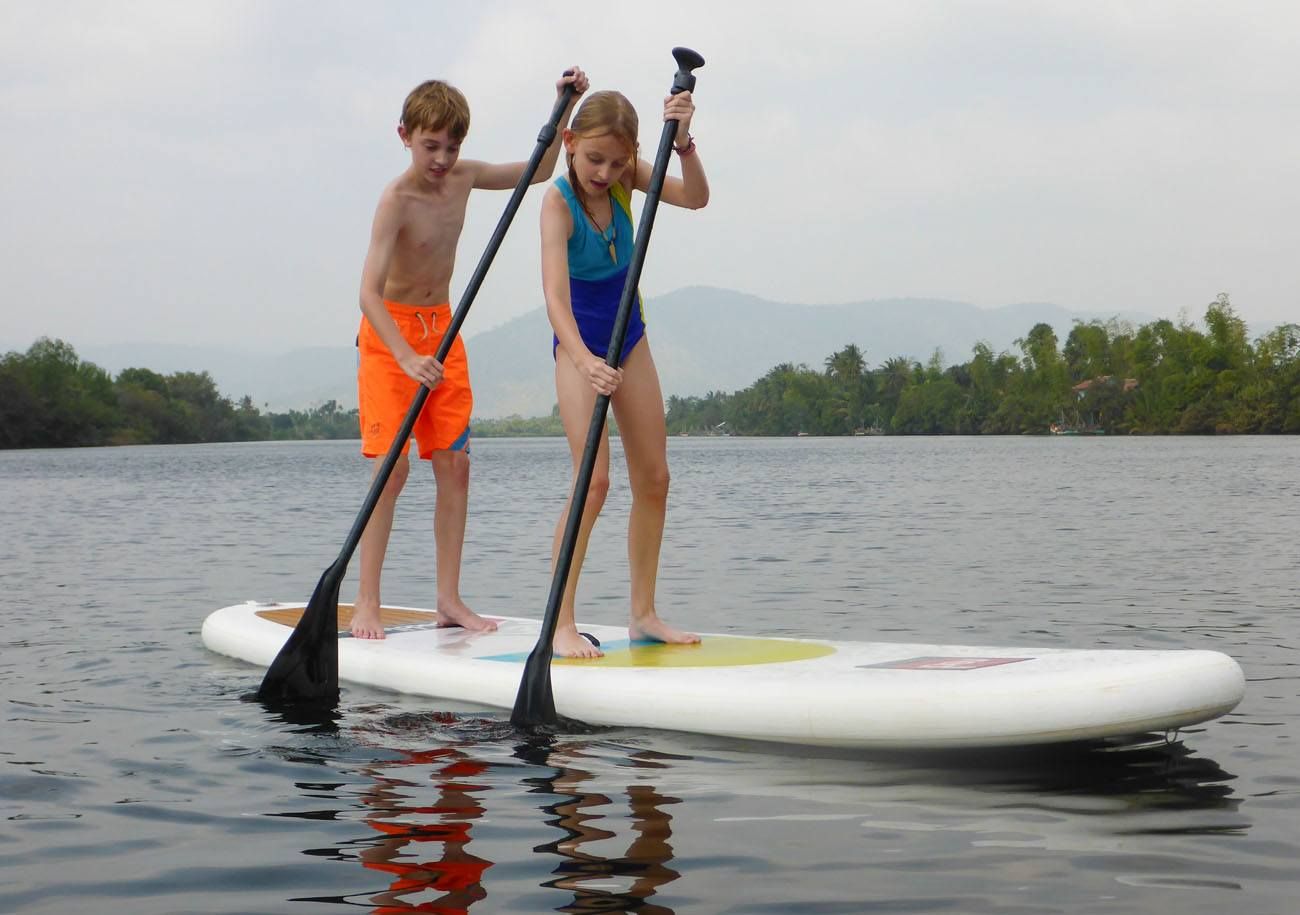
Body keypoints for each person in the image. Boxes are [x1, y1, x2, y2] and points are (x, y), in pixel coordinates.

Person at [351, 67, 589, 640]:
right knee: (392, 470)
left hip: (445, 330)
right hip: (391, 338)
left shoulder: (464, 177)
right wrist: (406, 356)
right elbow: (367, 292)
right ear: (403, 135)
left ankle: (449, 599)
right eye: (430, 145)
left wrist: (561, 107)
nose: (441, 157)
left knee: (455, 465)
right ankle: (365, 603)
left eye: (451, 146)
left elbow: (541, 170)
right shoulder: (395, 200)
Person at [539, 88, 710, 658]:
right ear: (569, 145)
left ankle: (642, 615)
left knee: (655, 478)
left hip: (629, 334)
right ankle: (560, 622)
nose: (606, 172)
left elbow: (696, 200)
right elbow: (555, 301)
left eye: (618, 162)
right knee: (594, 483)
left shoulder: (627, 176)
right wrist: (586, 362)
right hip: (578, 343)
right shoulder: (557, 202)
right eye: (594, 160)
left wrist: (683, 144)